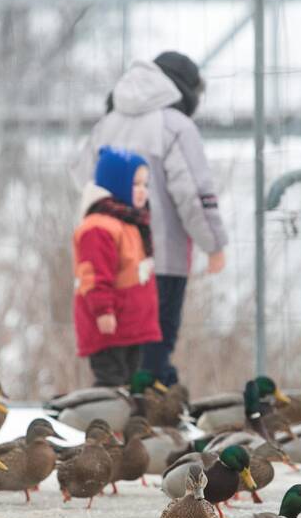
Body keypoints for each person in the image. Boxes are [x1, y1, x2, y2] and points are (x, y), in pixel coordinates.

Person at [72, 51, 228, 387]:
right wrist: (213, 244)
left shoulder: (106, 123)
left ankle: (121, 422)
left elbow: (85, 181)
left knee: (118, 359)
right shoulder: (176, 126)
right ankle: (151, 421)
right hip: (161, 261)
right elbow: (193, 193)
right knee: (154, 355)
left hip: (109, 260)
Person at [74, 146, 161, 387]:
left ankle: (122, 424)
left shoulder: (130, 221)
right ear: (117, 185)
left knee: (129, 383)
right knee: (111, 383)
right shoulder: (99, 228)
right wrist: (103, 310)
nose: (142, 191)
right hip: (109, 326)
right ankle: (100, 422)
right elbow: (94, 275)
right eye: (135, 185)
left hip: (131, 325)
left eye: (145, 184)